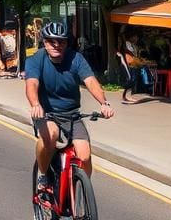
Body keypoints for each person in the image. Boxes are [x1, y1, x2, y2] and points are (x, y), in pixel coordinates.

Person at [26, 21, 113, 207]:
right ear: (45, 42)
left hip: (72, 114)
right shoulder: (36, 60)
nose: (56, 45)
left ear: (67, 43)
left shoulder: (76, 59)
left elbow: (91, 82)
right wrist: (35, 104)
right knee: (51, 137)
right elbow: (31, 84)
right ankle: (43, 175)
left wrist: (104, 103)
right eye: (52, 41)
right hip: (47, 113)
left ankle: (79, 187)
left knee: (84, 156)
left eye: (61, 41)